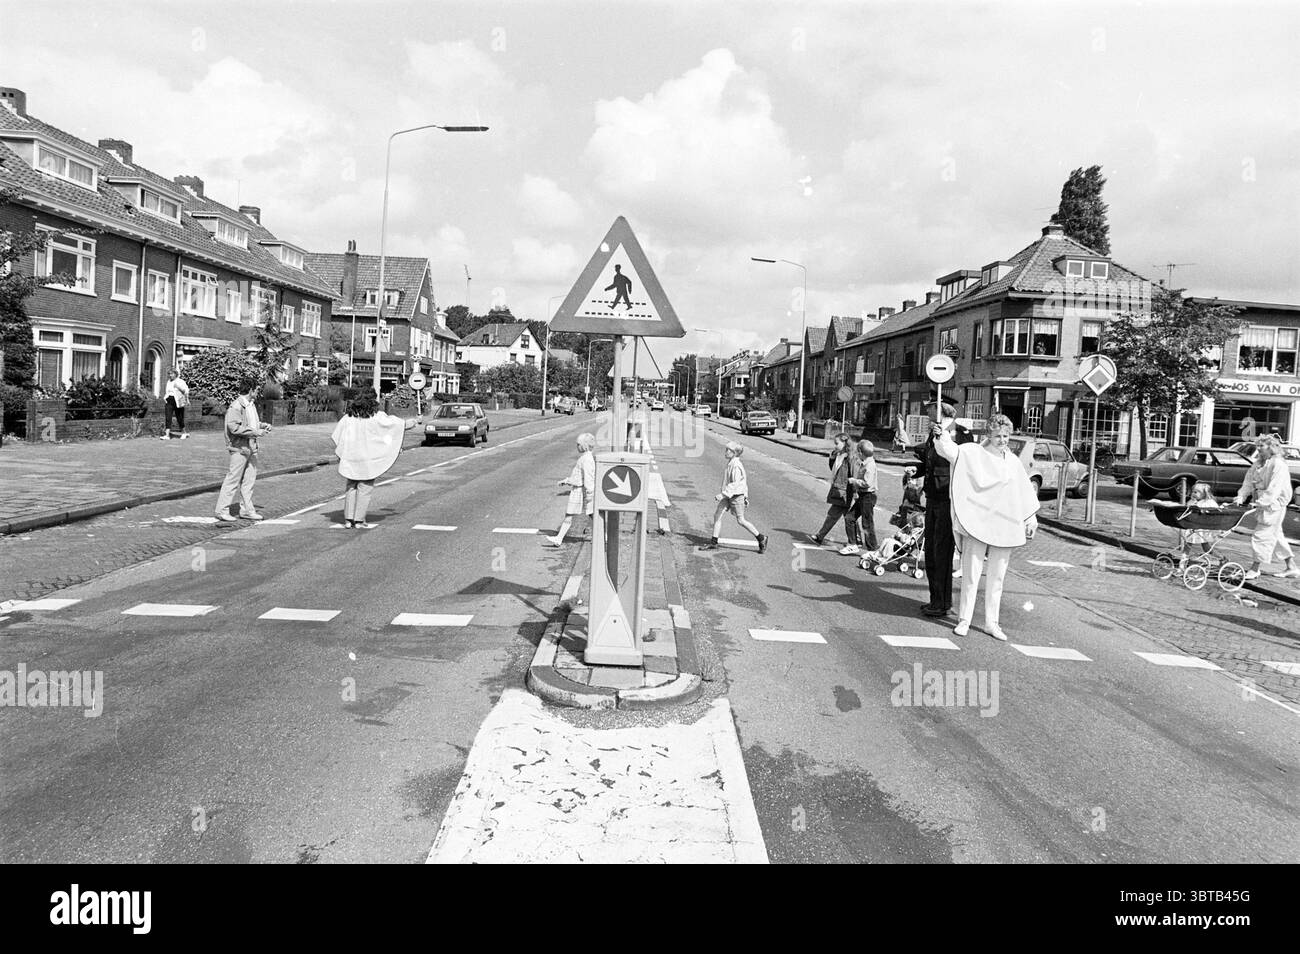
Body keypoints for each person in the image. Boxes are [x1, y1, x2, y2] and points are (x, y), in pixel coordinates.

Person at [935, 412, 1039, 640]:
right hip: (978, 521)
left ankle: (992, 623)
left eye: (1006, 436)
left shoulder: (1012, 462)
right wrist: (941, 433)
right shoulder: (974, 453)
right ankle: (964, 619)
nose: (1002, 440)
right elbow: (951, 451)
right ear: (989, 436)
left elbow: (1023, 491)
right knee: (971, 574)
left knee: (998, 577)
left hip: (1004, 524)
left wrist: (1031, 519)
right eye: (998, 436)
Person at [331, 389, 418, 529]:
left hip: (351, 457)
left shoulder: (349, 417)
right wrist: (413, 422)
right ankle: (359, 520)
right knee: (364, 487)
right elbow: (395, 426)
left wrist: (342, 452)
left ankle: (348, 520)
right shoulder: (376, 416)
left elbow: (337, 435)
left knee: (351, 487)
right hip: (367, 459)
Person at [911, 402, 958, 617]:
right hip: (933, 497)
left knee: (941, 552)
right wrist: (916, 470)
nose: (927, 412)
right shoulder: (934, 433)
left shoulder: (956, 433)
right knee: (930, 550)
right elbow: (930, 462)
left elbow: (958, 462)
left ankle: (942, 602)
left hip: (947, 499)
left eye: (930, 408)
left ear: (942, 410)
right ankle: (935, 599)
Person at [1233, 435, 1300, 579]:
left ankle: (1255, 568)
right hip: (1263, 503)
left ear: (1271, 448)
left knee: (1261, 535)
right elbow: (1248, 481)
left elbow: (1274, 488)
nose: (1258, 449)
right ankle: (1291, 566)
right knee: (1275, 535)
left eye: (1261, 446)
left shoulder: (1278, 465)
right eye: (1257, 446)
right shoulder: (1257, 464)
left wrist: (1261, 502)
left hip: (1274, 504)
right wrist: (1241, 496)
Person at [215, 375, 272, 522]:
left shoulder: (250, 404)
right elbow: (234, 427)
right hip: (240, 447)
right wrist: (256, 432)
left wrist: (262, 425)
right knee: (233, 479)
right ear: (251, 390)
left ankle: (247, 510)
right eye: (256, 390)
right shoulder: (237, 406)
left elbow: (250, 423)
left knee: (249, 481)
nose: (257, 393)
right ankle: (222, 510)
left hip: (251, 446)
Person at [706, 442, 768, 552]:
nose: (725, 452)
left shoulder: (736, 465)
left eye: (728, 450)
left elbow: (736, 484)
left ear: (734, 453)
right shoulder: (731, 462)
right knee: (717, 515)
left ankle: (761, 538)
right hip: (728, 495)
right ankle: (714, 542)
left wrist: (726, 495)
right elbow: (742, 482)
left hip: (736, 496)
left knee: (741, 520)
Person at [810, 434, 859, 552]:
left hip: (844, 491)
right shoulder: (839, 455)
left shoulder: (850, 457)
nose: (835, 446)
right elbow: (833, 469)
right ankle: (857, 539)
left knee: (834, 515)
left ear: (845, 443)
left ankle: (820, 536)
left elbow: (854, 474)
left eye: (837, 443)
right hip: (838, 489)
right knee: (849, 517)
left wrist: (855, 491)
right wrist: (832, 458)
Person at [545, 433, 597, 547]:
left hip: (581, 491)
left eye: (578, 444)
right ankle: (559, 538)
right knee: (586, 515)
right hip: (579, 490)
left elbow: (588, 478)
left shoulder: (587, 459)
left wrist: (590, 493)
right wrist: (567, 481)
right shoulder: (585, 458)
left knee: (587, 515)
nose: (577, 446)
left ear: (585, 446)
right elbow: (578, 477)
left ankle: (604, 537)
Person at [1176, 481, 1220, 572]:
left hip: (1202, 529)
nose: (1193, 494)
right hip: (1192, 527)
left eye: (1196, 492)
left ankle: (1222, 558)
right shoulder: (1192, 502)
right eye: (1193, 492)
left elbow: (1216, 513)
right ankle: (1181, 566)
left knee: (1206, 548)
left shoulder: (1209, 502)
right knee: (1187, 547)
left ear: (1204, 493)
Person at [849, 439, 879, 553]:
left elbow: (867, 483)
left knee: (867, 523)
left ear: (861, 452)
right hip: (863, 495)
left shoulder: (870, 465)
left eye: (857, 452)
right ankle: (853, 544)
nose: (857, 455)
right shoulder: (865, 463)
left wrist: (854, 481)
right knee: (850, 518)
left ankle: (872, 548)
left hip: (868, 496)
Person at [161, 368, 190, 440]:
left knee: (179, 417)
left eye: (172, 374)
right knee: (168, 417)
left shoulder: (180, 381)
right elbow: (168, 391)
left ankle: (184, 433)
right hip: (169, 400)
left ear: (175, 374)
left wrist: (178, 387)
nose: (170, 375)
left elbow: (186, 391)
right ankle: (167, 435)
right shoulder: (169, 382)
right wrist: (166, 398)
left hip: (178, 401)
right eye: (169, 374)